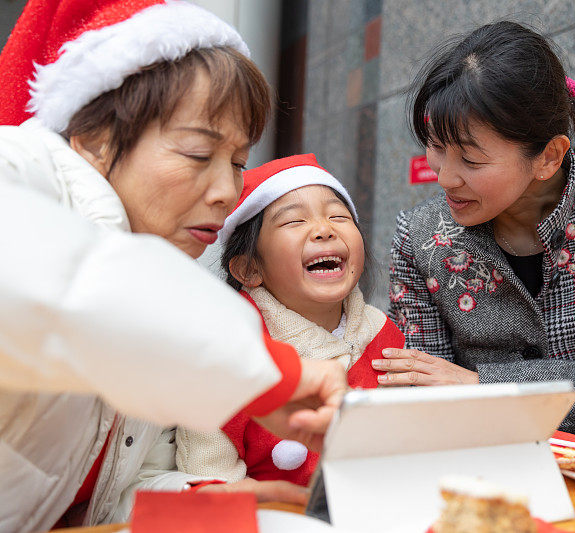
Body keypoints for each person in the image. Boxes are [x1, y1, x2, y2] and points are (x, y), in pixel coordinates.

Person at [0, 1, 345, 531]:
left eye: (237, 163)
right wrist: (266, 373)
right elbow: (58, 281)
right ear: (94, 139)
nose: (227, 191)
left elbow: (111, 488)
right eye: (196, 154)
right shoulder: (22, 170)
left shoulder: (158, 281)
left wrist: (212, 504)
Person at [379, 21, 575, 444]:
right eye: (434, 146)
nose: (445, 177)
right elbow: (424, 387)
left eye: (470, 159)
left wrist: (481, 385)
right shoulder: (419, 236)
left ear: (549, 156)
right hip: (480, 467)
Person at [175, 154, 405, 490]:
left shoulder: (383, 334)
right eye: (294, 222)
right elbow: (210, 475)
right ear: (249, 269)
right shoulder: (227, 352)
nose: (324, 230)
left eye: (339, 216)